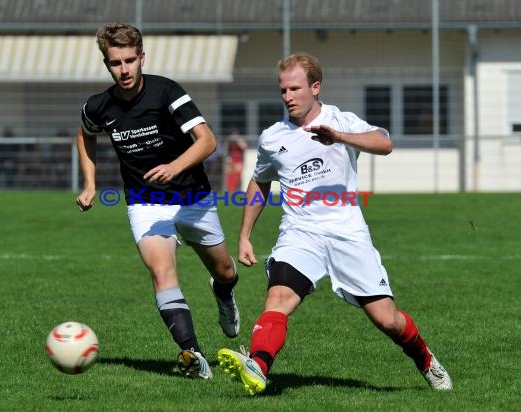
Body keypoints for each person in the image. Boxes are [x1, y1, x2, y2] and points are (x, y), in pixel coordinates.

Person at [217, 52, 452, 394]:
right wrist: (244, 235)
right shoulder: (272, 137)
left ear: (315, 87)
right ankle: (258, 365)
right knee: (278, 299)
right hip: (300, 234)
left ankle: (426, 360)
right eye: (283, 90)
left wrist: (339, 138)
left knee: (387, 319)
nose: (288, 97)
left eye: (295, 89)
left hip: (347, 233)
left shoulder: (342, 120)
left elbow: (385, 143)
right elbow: (260, 181)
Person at [75, 23, 240, 380]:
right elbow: (85, 134)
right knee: (161, 271)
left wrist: (175, 167)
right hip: (145, 202)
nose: (124, 69)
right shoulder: (99, 106)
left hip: (193, 198)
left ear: (142, 57)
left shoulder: (167, 92)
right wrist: (90, 184)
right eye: (116, 62)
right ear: (107, 63)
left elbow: (207, 140)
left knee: (225, 271)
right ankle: (193, 355)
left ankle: (223, 295)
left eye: (130, 60)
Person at [225, 128, 248, 193]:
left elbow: (244, 146)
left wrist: (238, 139)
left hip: (238, 160)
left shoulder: (239, 140)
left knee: (237, 175)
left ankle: (236, 190)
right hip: (231, 160)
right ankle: (230, 190)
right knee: (230, 175)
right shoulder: (229, 141)